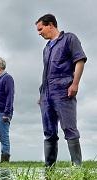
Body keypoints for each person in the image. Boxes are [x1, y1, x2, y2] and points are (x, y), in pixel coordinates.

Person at [36, 13, 87, 167]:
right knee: (49, 132)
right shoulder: (46, 48)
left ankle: (77, 167)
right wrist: (42, 94)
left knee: (69, 129)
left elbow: (79, 60)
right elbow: (45, 73)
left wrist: (75, 84)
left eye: (40, 29)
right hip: (46, 95)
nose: (39, 33)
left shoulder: (69, 39)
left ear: (50, 24)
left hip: (63, 92)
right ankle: (49, 168)